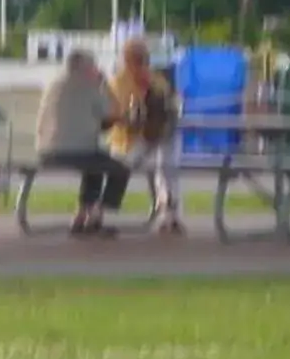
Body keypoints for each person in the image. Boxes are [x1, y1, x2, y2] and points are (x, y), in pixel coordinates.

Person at [35, 50, 126, 236]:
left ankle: (81, 215)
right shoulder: (89, 85)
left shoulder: (54, 84)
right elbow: (112, 113)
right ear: (85, 68)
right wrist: (104, 84)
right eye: (93, 65)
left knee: (96, 164)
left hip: (46, 151)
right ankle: (95, 214)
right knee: (119, 169)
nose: (96, 68)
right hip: (77, 152)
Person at [111, 36, 182, 234]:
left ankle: (170, 212)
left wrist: (158, 101)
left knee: (166, 154)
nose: (143, 64)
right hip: (127, 145)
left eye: (145, 59)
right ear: (127, 61)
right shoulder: (117, 83)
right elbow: (122, 120)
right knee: (163, 159)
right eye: (138, 60)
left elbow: (169, 107)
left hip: (154, 142)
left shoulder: (157, 80)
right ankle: (169, 212)